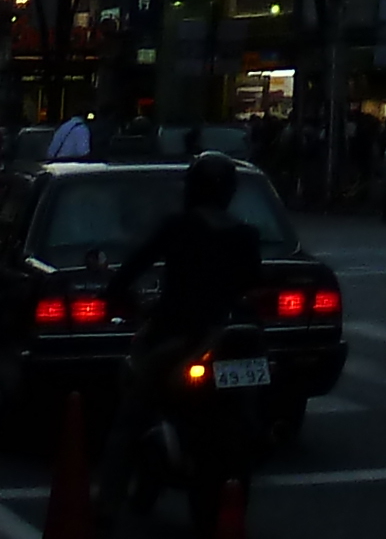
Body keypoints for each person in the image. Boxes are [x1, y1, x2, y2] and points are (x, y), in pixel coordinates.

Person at [99, 153, 270, 523]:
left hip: (181, 339)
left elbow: (128, 274)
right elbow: (252, 289)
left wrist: (121, 294)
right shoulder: (245, 235)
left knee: (127, 423)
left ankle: (104, 511)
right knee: (248, 410)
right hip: (227, 342)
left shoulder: (177, 228)